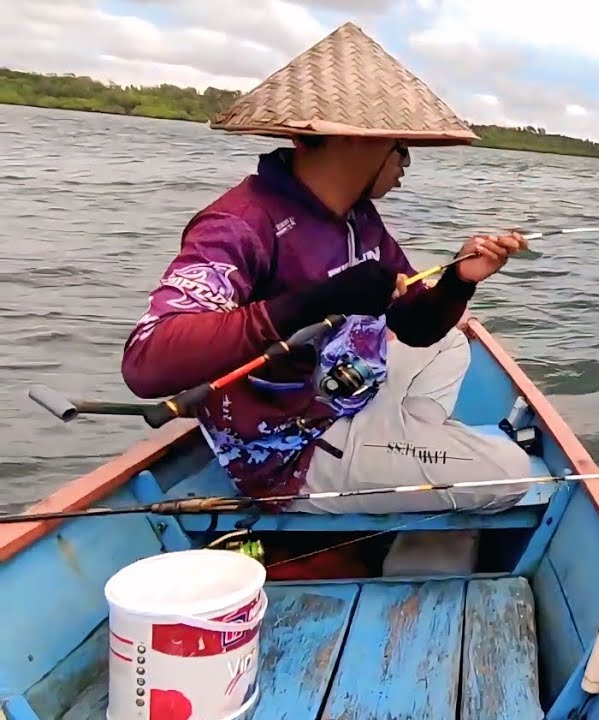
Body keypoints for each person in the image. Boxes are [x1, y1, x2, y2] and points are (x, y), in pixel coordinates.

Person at [120, 22, 536, 521]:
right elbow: (146, 362)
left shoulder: (360, 217)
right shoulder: (240, 224)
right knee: (513, 471)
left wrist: (457, 281)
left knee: (451, 343)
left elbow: (416, 326)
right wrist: (314, 300)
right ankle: (400, 457)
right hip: (288, 448)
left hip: (343, 392)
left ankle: (405, 448)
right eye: (399, 144)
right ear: (356, 141)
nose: (404, 161)